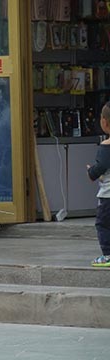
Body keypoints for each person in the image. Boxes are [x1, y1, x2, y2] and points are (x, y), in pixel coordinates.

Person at [87, 101, 110, 267]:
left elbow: (100, 168)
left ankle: (108, 255)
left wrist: (91, 171)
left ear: (104, 122)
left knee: (103, 224)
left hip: (108, 196)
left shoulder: (106, 146)